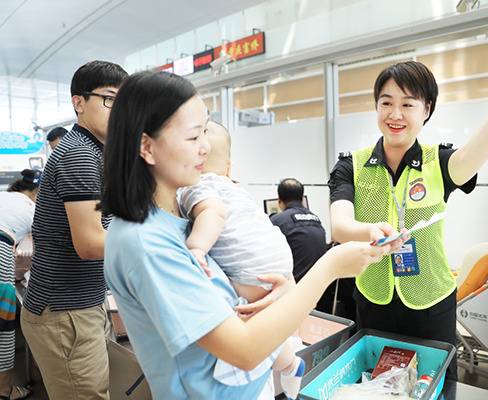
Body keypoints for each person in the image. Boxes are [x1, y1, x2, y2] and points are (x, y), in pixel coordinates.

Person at [101, 71, 397, 400]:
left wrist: (283, 291)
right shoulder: (146, 243)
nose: (205, 147)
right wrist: (329, 268)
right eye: (193, 136)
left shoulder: (181, 220)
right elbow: (242, 349)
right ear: (147, 147)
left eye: (205, 132)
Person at [329, 47, 488, 381]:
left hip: (431, 304)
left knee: (433, 383)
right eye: (386, 102)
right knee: (375, 383)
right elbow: (340, 226)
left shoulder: (440, 161)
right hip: (373, 301)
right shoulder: (352, 165)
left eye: (408, 104)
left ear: (426, 109)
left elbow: (477, 151)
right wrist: (372, 231)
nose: (395, 113)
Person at [20, 60, 127, 400]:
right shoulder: (79, 154)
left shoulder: (95, 152)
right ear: (78, 102)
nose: (120, 110)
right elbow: (92, 244)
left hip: (79, 304)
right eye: (110, 99)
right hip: (65, 312)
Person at [178, 122, 304, 398]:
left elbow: (213, 214)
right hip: (277, 256)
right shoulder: (237, 189)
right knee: (265, 322)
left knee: (251, 325)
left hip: (251, 268)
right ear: (229, 166)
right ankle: (291, 364)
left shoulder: (195, 186)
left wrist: (197, 247)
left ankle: (290, 363)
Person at [0, 170, 40, 400]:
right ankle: (5, 391)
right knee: (3, 325)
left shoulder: (6, 199)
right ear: (37, 192)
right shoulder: (33, 208)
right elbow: (41, 252)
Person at [270, 178, 327, 282]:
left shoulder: (277, 221)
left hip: (294, 291)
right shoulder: (316, 220)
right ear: (302, 199)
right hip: (321, 290)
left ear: (279, 201)